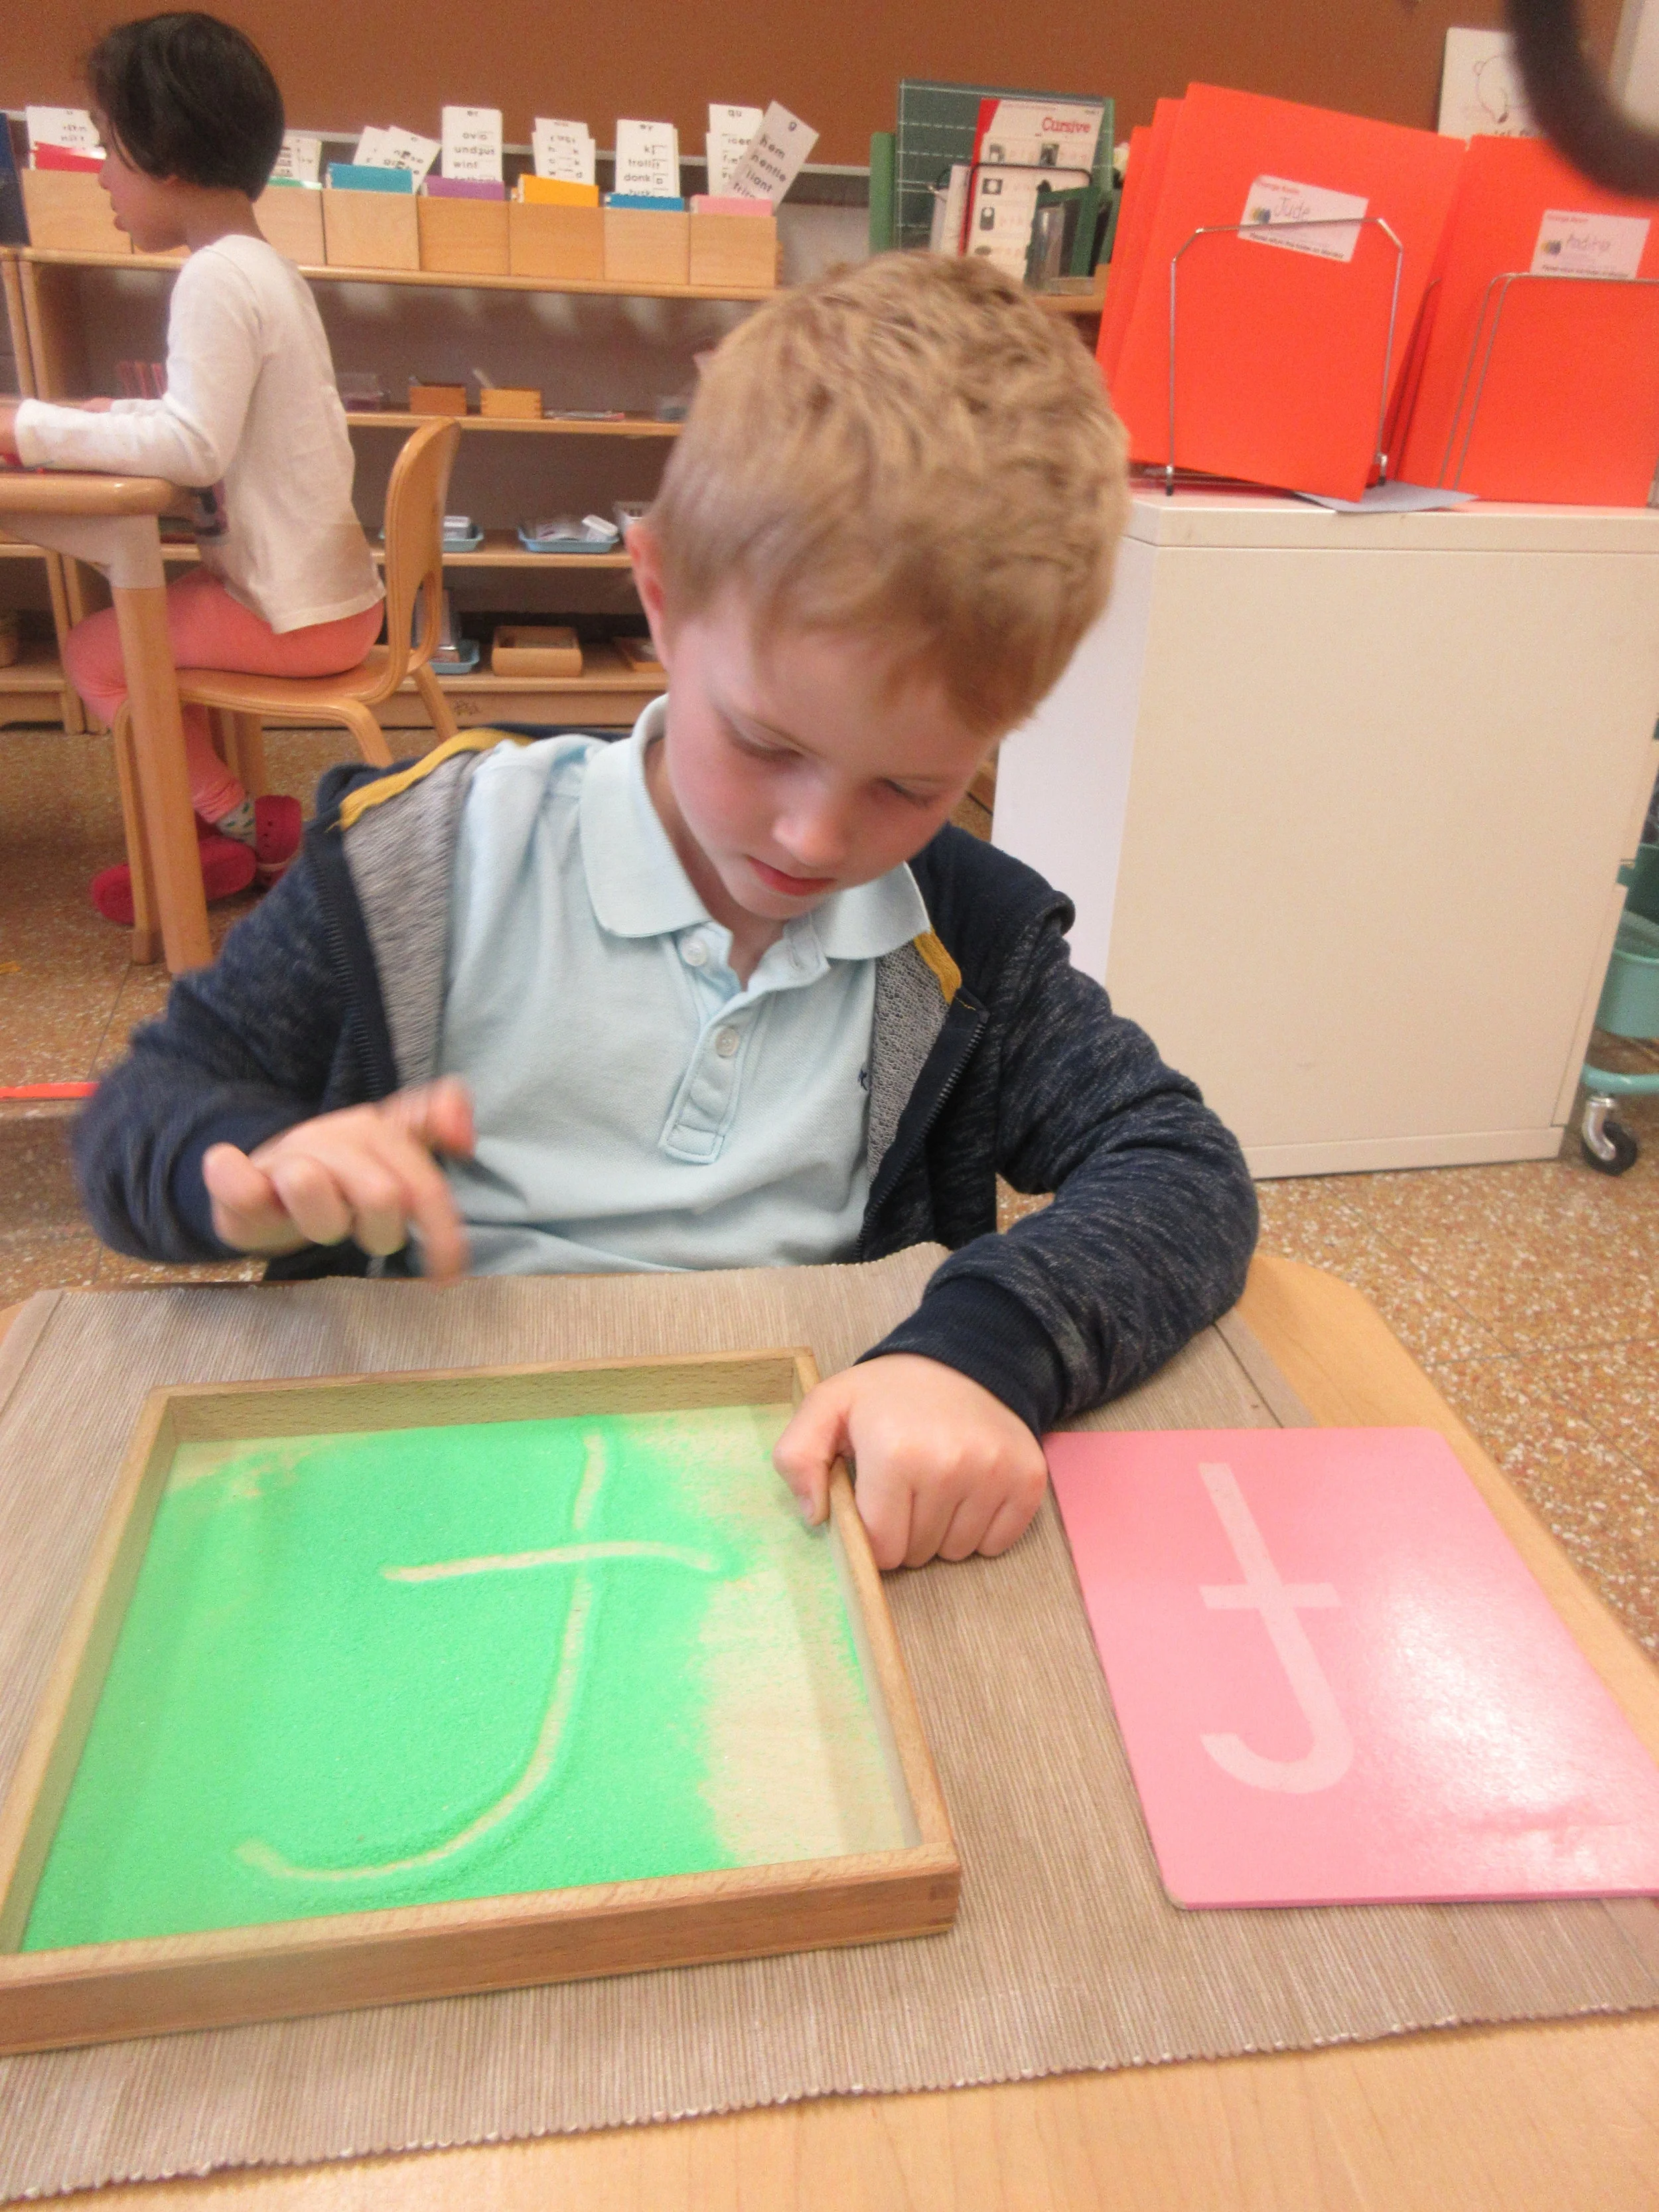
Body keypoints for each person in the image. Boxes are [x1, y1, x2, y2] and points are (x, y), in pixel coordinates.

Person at [75, 252, 1259, 1571]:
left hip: (788, 1502)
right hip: (411, 1469)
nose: (815, 837)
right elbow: (145, 1111)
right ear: (659, 593)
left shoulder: (960, 936)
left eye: (910, 783)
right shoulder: (424, 858)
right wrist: (237, 1173)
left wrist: (981, 1353)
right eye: (761, 742)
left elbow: (1179, 1167)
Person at [0, 11, 384, 919]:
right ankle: (216, 838)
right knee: (150, 646)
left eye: (107, 149)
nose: (100, 176)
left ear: (163, 151)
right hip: (324, 602)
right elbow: (205, 419)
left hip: (295, 616)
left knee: (101, 653)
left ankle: (247, 824)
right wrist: (103, 414)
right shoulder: (259, 268)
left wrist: (33, 429)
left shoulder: (215, 277)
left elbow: (191, 445)